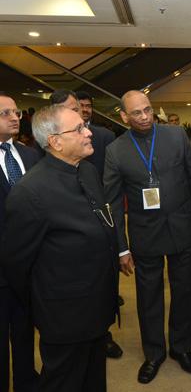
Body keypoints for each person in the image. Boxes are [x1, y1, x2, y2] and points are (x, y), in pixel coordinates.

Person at [0, 104, 119, 391]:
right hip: (65, 317)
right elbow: (16, 263)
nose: (88, 132)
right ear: (55, 141)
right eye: (78, 129)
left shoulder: (88, 171)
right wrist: (47, 300)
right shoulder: (30, 191)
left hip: (97, 306)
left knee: (93, 380)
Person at [104, 90, 191, 384]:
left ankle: (181, 349)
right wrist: (121, 248)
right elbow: (113, 203)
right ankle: (154, 353)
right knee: (148, 297)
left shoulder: (176, 135)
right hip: (144, 234)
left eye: (148, 110)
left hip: (182, 228)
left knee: (182, 293)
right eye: (136, 113)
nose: (144, 117)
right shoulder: (116, 150)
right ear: (124, 117)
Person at [50, 89, 123, 359]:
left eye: (80, 108)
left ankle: (104, 334)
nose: (79, 111)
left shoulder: (103, 137)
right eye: (72, 108)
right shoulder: (40, 166)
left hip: (99, 227)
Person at [0, 93, 40, 392]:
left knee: (25, 330)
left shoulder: (29, 155)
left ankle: (26, 381)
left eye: (15, 112)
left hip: (30, 266)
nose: (15, 117)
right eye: (5, 113)